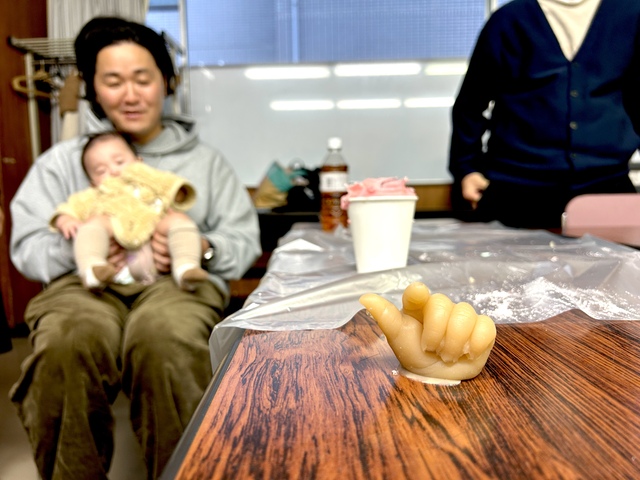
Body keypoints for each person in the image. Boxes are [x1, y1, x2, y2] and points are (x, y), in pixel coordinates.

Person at [9, 16, 261, 480]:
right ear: (93, 89)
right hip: (83, 286)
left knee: (165, 337)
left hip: (175, 285)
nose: (130, 95)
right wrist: (88, 249)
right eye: (113, 81)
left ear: (166, 82)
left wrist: (202, 247)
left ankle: (185, 472)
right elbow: (26, 244)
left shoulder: (205, 161)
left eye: (142, 79)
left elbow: (244, 238)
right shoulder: (60, 163)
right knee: (67, 340)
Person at [449, 0, 640, 229]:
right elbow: (471, 103)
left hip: (607, 184)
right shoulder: (509, 19)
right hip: (516, 188)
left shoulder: (631, 14)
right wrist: (467, 169)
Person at [53, 131, 208, 291]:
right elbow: (68, 208)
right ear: (93, 183)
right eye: (101, 171)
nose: (113, 171)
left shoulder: (150, 182)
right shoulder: (95, 195)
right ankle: (93, 270)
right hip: (117, 265)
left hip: (154, 246)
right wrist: (66, 220)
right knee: (93, 224)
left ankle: (186, 268)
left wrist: (179, 193)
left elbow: (173, 187)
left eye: (119, 162)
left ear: (139, 162)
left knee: (178, 219)